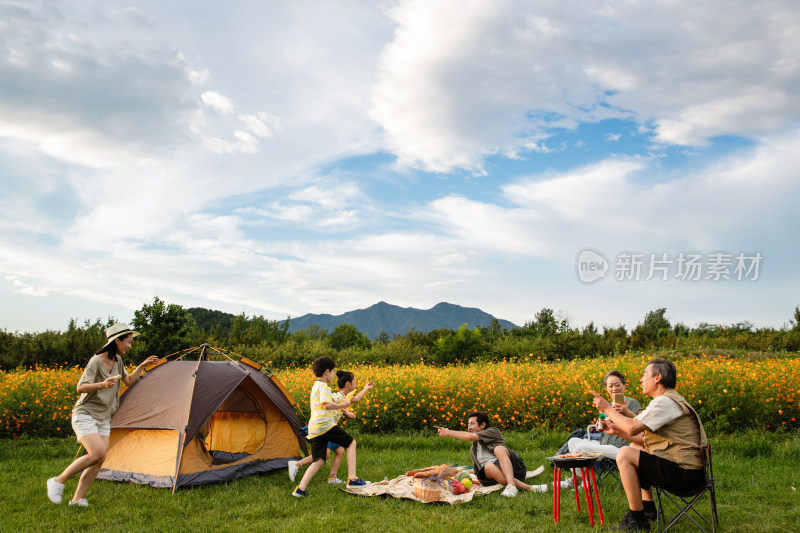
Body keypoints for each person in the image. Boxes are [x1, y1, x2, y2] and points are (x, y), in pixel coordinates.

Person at [46, 323, 159, 507]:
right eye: (128, 342)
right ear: (117, 340)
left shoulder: (118, 362)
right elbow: (80, 387)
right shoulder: (96, 361)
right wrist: (101, 384)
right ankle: (58, 481)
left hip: (104, 417)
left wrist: (141, 366)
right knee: (96, 452)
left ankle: (77, 500)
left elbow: (129, 381)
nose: (130, 346)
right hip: (86, 414)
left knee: (100, 458)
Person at [591, 358, 708, 531]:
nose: (641, 379)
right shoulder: (667, 400)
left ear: (657, 378)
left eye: (645, 374)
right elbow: (644, 439)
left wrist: (606, 409)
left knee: (624, 454)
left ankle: (638, 520)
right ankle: (649, 510)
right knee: (634, 448)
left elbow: (632, 428)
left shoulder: (665, 402)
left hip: (686, 475)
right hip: (690, 470)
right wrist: (616, 431)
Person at [292, 357, 373, 497]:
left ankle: (300, 489)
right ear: (327, 372)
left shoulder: (316, 385)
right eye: (333, 371)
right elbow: (326, 405)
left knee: (320, 460)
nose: (333, 375)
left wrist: (344, 408)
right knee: (351, 443)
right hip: (325, 425)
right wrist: (344, 406)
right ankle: (352, 479)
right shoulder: (323, 387)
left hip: (315, 428)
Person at [436, 411, 546, 497]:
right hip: (492, 474)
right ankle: (527, 487)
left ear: (483, 425)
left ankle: (514, 485)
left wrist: (448, 432)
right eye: (468, 424)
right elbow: (478, 470)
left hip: (513, 466)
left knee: (498, 449)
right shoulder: (473, 448)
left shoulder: (494, 431)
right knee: (488, 467)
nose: (469, 427)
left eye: (472, 424)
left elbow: (470, 437)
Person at [567, 370, 642, 460]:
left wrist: (627, 412)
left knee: (581, 448)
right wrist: (606, 418)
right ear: (606, 388)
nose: (614, 389)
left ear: (624, 385)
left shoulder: (632, 402)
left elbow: (644, 423)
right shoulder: (606, 405)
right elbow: (599, 428)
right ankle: (583, 474)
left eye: (617, 385)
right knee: (572, 441)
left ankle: (580, 474)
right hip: (604, 444)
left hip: (621, 447)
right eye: (610, 386)